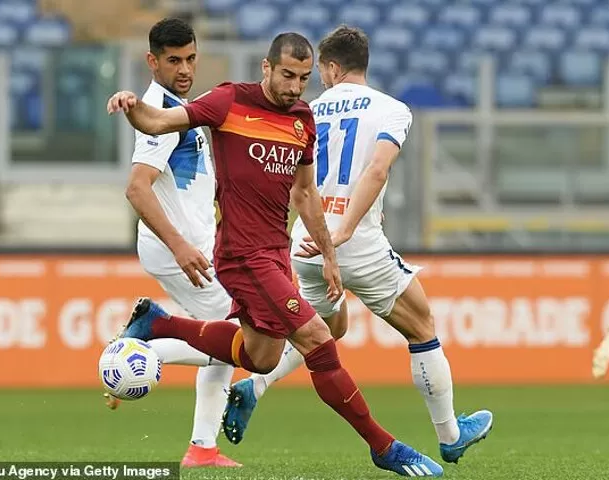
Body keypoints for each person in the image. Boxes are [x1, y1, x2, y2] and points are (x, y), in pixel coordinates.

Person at [108, 32, 445, 477]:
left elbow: (306, 194)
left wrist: (328, 253)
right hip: (242, 257)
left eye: (304, 78)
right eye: (287, 75)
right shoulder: (228, 101)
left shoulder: (303, 118)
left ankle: (159, 323)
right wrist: (132, 105)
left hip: (275, 252)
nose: (294, 87)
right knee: (318, 339)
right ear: (266, 68)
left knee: (261, 357)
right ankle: (383, 446)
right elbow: (157, 123)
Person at [223, 26, 493, 466]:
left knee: (326, 331)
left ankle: (251, 387)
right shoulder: (392, 109)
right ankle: (450, 434)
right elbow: (376, 171)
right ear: (361, 64)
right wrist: (347, 228)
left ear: (330, 67)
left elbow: (295, 182)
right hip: (354, 242)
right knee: (422, 325)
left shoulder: (305, 109)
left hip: (305, 241)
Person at [107, 18, 241, 468]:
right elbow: (137, 188)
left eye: (190, 58)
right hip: (176, 250)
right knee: (242, 337)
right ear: (152, 61)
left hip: (199, 243)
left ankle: (203, 448)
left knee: (229, 338)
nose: (184, 68)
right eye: (173, 60)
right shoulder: (158, 112)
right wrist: (182, 246)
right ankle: (143, 345)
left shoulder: (179, 106)